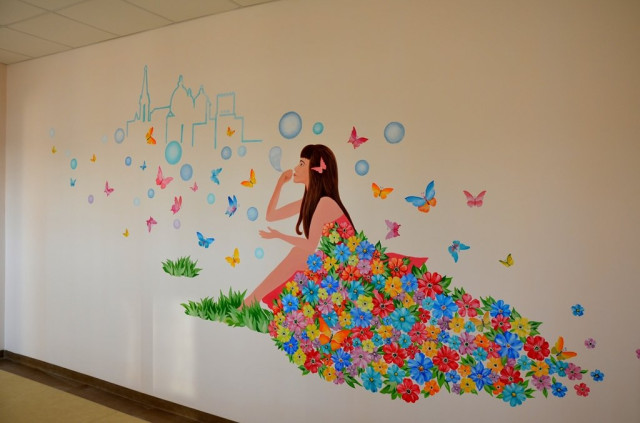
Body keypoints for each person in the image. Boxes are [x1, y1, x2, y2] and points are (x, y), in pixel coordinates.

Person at [244, 144, 354, 307]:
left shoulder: (325, 202)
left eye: (302, 164)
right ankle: (249, 302)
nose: (296, 167)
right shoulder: (310, 202)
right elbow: (271, 216)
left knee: (298, 253)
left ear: (314, 170)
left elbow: (310, 245)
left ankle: (249, 303)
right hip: (332, 266)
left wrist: (280, 236)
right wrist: (280, 184)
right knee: (298, 255)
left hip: (346, 270)